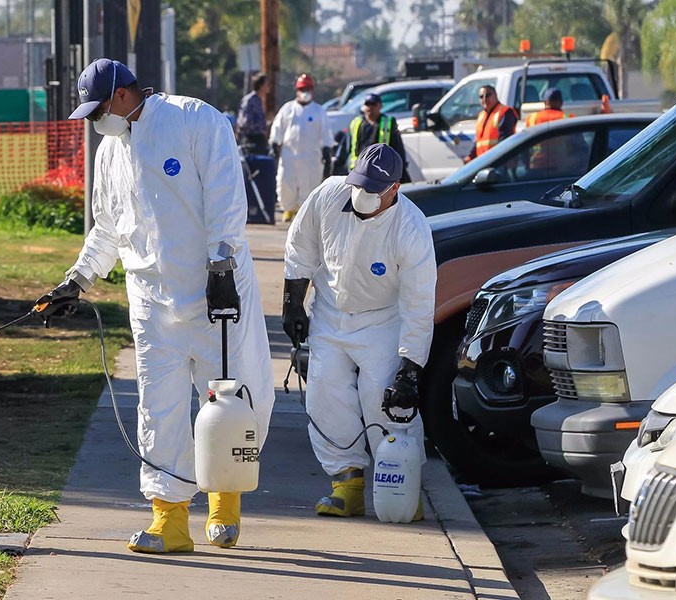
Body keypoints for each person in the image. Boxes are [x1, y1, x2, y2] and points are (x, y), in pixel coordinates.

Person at [36, 58, 275, 554]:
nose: (95, 121)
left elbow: (227, 199)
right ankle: (169, 519)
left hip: (214, 291)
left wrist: (222, 266)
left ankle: (224, 503)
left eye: (97, 110)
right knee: (158, 407)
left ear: (122, 96)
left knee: (229, 399)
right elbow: (106, 227)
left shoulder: (194, 120)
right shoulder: (109, 151)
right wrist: (75, 280)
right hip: (151, 300)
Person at [282, 143, 436, 519]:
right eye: (360, 184)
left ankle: (403, 487)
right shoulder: (328, 195)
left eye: (374, 190)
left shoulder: (411, 229)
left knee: (382, 400)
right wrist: (292, 304)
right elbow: (301, 247)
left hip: (382, 320)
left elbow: (418, 305)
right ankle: (346, 484)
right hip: (330, 312)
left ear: (394, 189)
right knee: (325, 394)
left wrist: (409, 370)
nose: (363, 195)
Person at [269, 73, 334, 222]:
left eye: (308, 89)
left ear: (313, 90)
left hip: (311, 156)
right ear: (297, 90)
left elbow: (326, 133)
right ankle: (288, 208)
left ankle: (305, 212)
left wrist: (326, 149)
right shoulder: (288, 109)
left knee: (310, 184)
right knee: (285, 182)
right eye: (302, 89)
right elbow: (278, 128)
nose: (305, 92)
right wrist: (274, 142)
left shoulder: (319, 111)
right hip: (289, 155)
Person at [347, 93, 411, 183]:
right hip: (360, 169)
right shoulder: (356, 122)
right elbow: (348, 146)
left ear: (380, 106)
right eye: (367, 104)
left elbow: (398, 146)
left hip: (381, 170)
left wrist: (401, 166)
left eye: (373, 104)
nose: (370, 107)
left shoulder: (388, 122)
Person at [464, 85, 517, 163]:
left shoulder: (505, 112)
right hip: (483, 162)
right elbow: (479, 142)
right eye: (481, 97)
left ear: (495, 95)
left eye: (488, 95)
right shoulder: (481, 116)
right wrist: (470, 157)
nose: (484, 99)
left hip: (499, 162)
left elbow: (505, 140)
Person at [236, 72, 269, 154]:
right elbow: (245, 122)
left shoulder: (260, 100)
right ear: (261, 85)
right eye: (266, 84)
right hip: (251, 140)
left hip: (259, 140)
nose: (268, 87)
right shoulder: (250, 100)